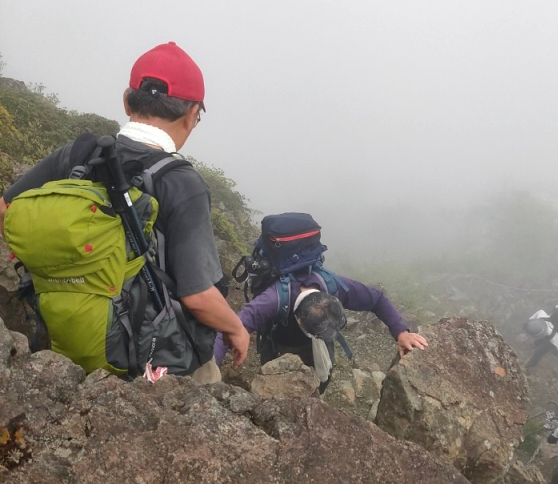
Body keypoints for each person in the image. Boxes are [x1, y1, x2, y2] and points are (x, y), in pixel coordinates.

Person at [0, 41, 249, 381]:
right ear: (192, 114)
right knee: (206, 378)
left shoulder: (77, 154)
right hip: (150, 362)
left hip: (58, 338)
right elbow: (198, 296)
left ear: (126, 101)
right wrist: (236, 328)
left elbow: (6, 210)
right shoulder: (183, 183)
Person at [214, 271, 428, 391]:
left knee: (322, 378)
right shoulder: (272, 301)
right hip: (278, 341)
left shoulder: (334, 287)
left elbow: (377, 299)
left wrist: (401, 332)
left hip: (311, 342)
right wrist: (211, 365)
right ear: (298, 320)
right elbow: (231, 327)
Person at [525, 306, 558, 370]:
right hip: (551, 325)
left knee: (540, 351)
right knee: (540, 343)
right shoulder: (540, 315)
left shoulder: (553, 336)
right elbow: (540, 311)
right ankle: (539, 343)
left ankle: (530, 365)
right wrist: (529, 323)